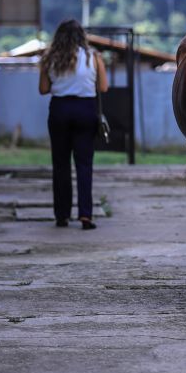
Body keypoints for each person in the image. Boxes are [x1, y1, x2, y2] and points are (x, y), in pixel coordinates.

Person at [39, 19, 108, 230]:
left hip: (59, 110)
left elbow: (43, 89)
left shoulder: (49, 58)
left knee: (60, 165)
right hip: (85, 111)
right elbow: (103, 87)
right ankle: (85, 215)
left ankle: (62, 215)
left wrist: (61, 82)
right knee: (84, 165)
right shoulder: (93, 57)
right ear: (82, 36)